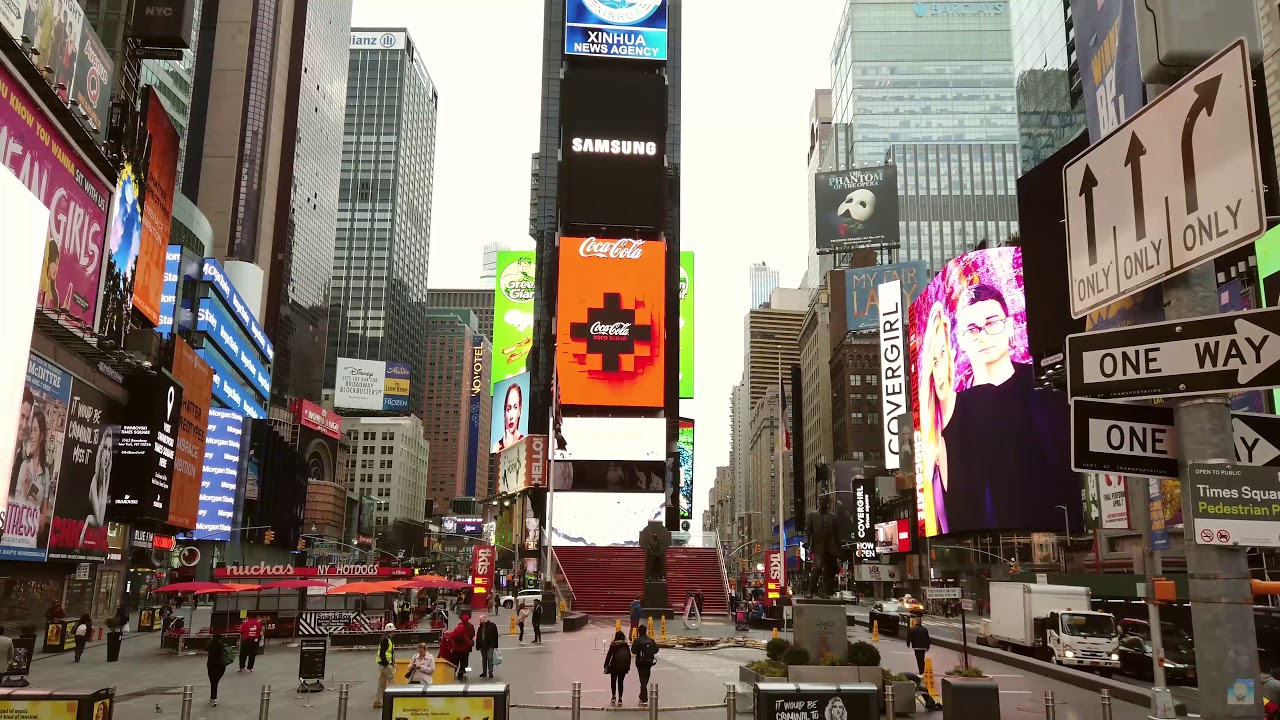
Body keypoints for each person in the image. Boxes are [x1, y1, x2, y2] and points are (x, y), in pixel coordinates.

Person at [941, 283, 1075, 531]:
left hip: (1061, 531)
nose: (982, 335)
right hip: (984, 546)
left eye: (991, 323)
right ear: (960, 339)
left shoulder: (1043, 385)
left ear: (1009, 325)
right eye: (972, 329)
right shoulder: (954, 411)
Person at [917, 301, 955, 535]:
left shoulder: (973, 410)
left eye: (943, 353)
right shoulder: (929, 448)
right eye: (934, 361)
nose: (939, 370)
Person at [491, 382, 525, 453]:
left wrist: (508, 447)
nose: (511, 416)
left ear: (519, 411)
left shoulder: (525, 443)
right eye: (508, 409)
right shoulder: (496, 447)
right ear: (504, 413)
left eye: (515, 407)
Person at [631, 625, 659, 705]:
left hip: (640, 662)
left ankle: (644, 697)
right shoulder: (651, 640)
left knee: (642, 678)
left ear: (639, 631)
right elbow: (656, 650)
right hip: (649, 662)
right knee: (646, 677)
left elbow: (633, 651)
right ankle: (642, 694)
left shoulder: (637, 640)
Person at [604, 630, 632, 706]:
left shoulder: (613, 645)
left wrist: (605, 665)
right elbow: (629, 656)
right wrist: (628, 666)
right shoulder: (625, 645)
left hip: (614, 666)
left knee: (613, 681)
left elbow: (609, 656)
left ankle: (613, 696)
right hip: (623, 667)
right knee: (620, 682)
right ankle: (620, 698)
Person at [445, 612, 475, 681]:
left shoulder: (459, 627)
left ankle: (452, 673)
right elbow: (472, 634)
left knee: (454, 662)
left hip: (456, 649)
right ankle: (461, 674)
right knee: (463, 662)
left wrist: (448, 634)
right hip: (465, 649)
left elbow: (454, 635)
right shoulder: (470, 626)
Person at [373, 622, 396, 708]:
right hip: (385, 664)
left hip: (382, 664)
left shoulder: (385, 638)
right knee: (392, 680)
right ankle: (392, 699)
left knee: (382, 683)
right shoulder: (386, 640)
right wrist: (387, 664)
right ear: (391, 631)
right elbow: (383, 653)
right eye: (393, 631)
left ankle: (378, 701)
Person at [206, 633, 229, 707]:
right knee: (216, 682)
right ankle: (212, 697)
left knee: (213, 682)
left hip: (212, 665)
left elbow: (205, 648)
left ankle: (213, 698)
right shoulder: (222, 645)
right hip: (221, 666)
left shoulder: (212, 645)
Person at [475, 614, 500, 678]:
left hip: (490, 645)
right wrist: (478, 645)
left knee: (489, 657)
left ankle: (490, 671)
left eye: (480, 619)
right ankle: (484, 672)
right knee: (484, 659)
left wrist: (495, 645)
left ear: (484, 619)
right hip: (482, 645)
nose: (479, 621)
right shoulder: (480, 628)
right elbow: (478, 636)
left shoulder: (492, 626)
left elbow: (495, 635)